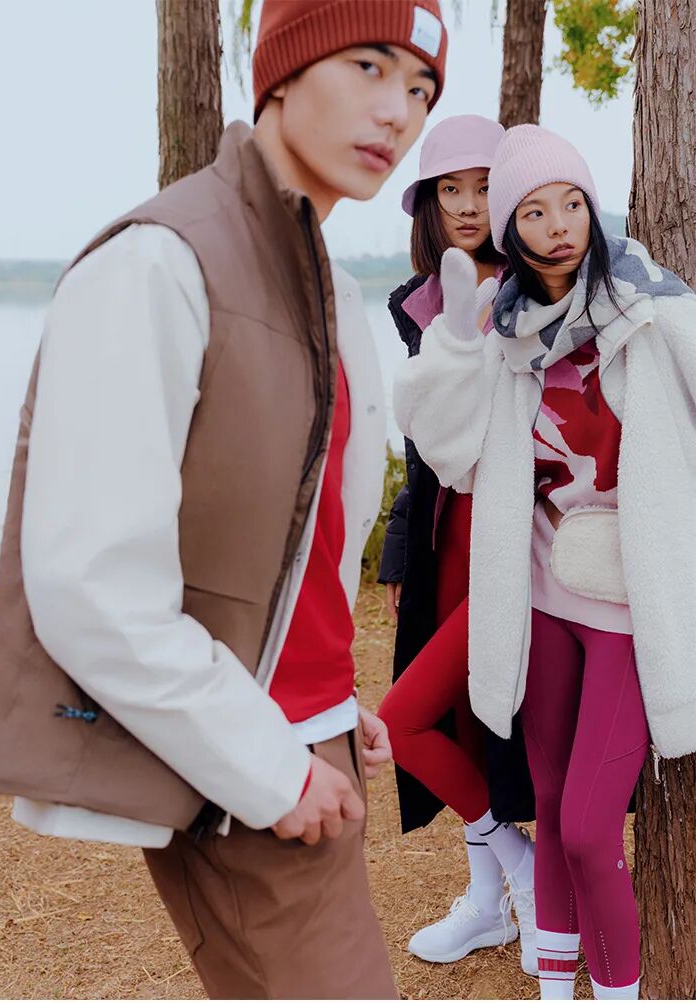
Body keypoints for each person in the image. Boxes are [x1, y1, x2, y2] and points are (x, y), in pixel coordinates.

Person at [0, 1, 449, 998]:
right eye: (370, 66)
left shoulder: (327, 285)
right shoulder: (157, 262)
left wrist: (334, 704)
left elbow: (297, 544)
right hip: (239, 760)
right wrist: (271, 769)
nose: (399, 112)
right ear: (284, 67)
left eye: (420, 89)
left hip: (308, 732)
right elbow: (91, 584)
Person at [393, 123, 696, 1001]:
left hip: (630, 603)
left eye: (571, 203)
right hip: (538, 594)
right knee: (555, 809)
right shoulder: (501, 330)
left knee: (592, 832)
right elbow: (447, 449)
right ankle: (554, 990)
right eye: (532, 211)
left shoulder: (649, 304)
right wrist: (455, 340)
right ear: (510, 229)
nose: (558, 224)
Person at [376, 114, 537, 974]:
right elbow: (418, 445)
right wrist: (401, 551)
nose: (470, 205)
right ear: (429, 204)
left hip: (518, 537)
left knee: (421, 717)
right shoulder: (419, 301)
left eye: (484, 186)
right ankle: (489, 899)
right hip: (447, 539)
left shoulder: (541, 285)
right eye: (451, 189)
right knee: (457, 724)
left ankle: (530, 875)